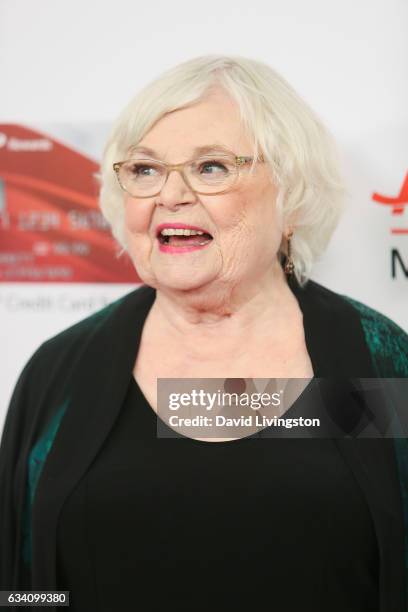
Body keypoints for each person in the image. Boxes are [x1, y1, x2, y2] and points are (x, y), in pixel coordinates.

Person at [1, 54, 407, 612]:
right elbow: (22, 587)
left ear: (291, 196)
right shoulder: (61, 371)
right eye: (145, 170)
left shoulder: (377, 362)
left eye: (211, 167)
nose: (171, 194)